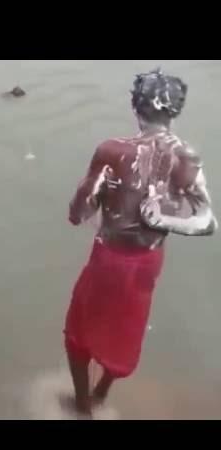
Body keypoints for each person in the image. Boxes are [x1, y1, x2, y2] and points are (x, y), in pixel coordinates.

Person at [65, 69, 217, 417]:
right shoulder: (188, 159)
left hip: (109, 258)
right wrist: (163, 221)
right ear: (175, 111)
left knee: (78, 332)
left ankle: (82, 404)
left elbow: (77, 213)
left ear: (135, 106)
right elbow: (207, 221)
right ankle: (102, 391)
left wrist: (92, 195)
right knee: (127, 328)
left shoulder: (111, 150)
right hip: (148, 261)